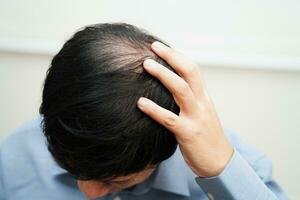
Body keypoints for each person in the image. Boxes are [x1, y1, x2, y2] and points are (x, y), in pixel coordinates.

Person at [0, 23, 288, 200]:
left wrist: (220, 171)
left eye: (115, 180)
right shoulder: (15, 159)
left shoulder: (235, 172)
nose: (88, 193)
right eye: (70, 170)